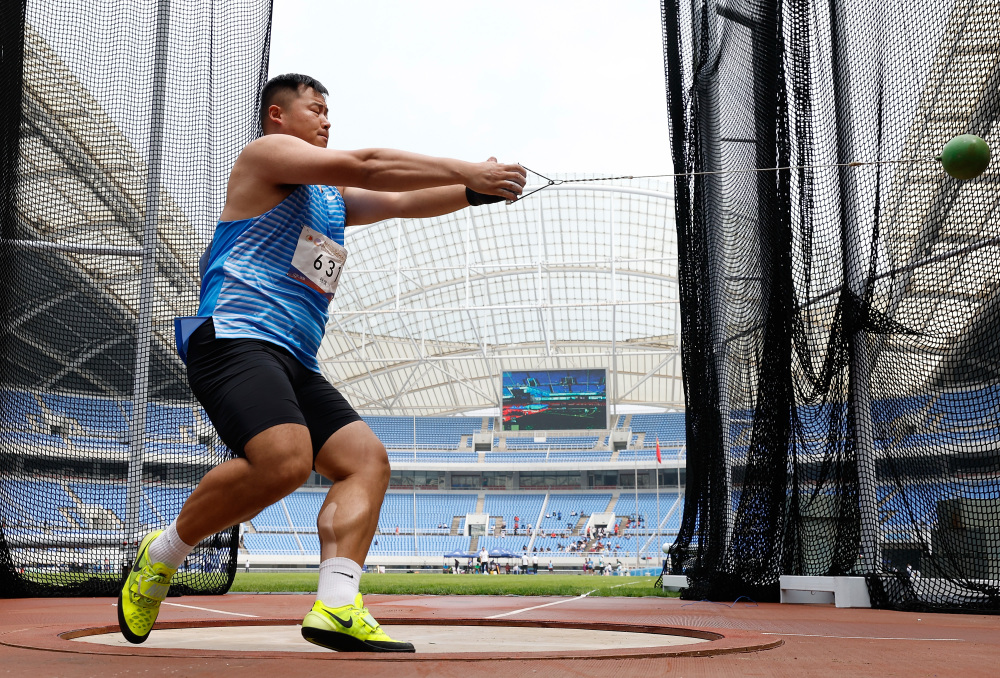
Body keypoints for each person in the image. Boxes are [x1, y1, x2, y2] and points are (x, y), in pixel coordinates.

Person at [116, 73, 525, 653]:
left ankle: (337, 605)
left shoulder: (329, 198)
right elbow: (369, 165)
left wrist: (476, 192)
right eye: (315, 109)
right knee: (286, 461)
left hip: (295, 358)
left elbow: (401, 200)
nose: (327, 120)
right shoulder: (264, 156)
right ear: (277, 115)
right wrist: (467, 169)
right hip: (234, 338)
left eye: (329, 112)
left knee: (365, 462)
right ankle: (161, 555)